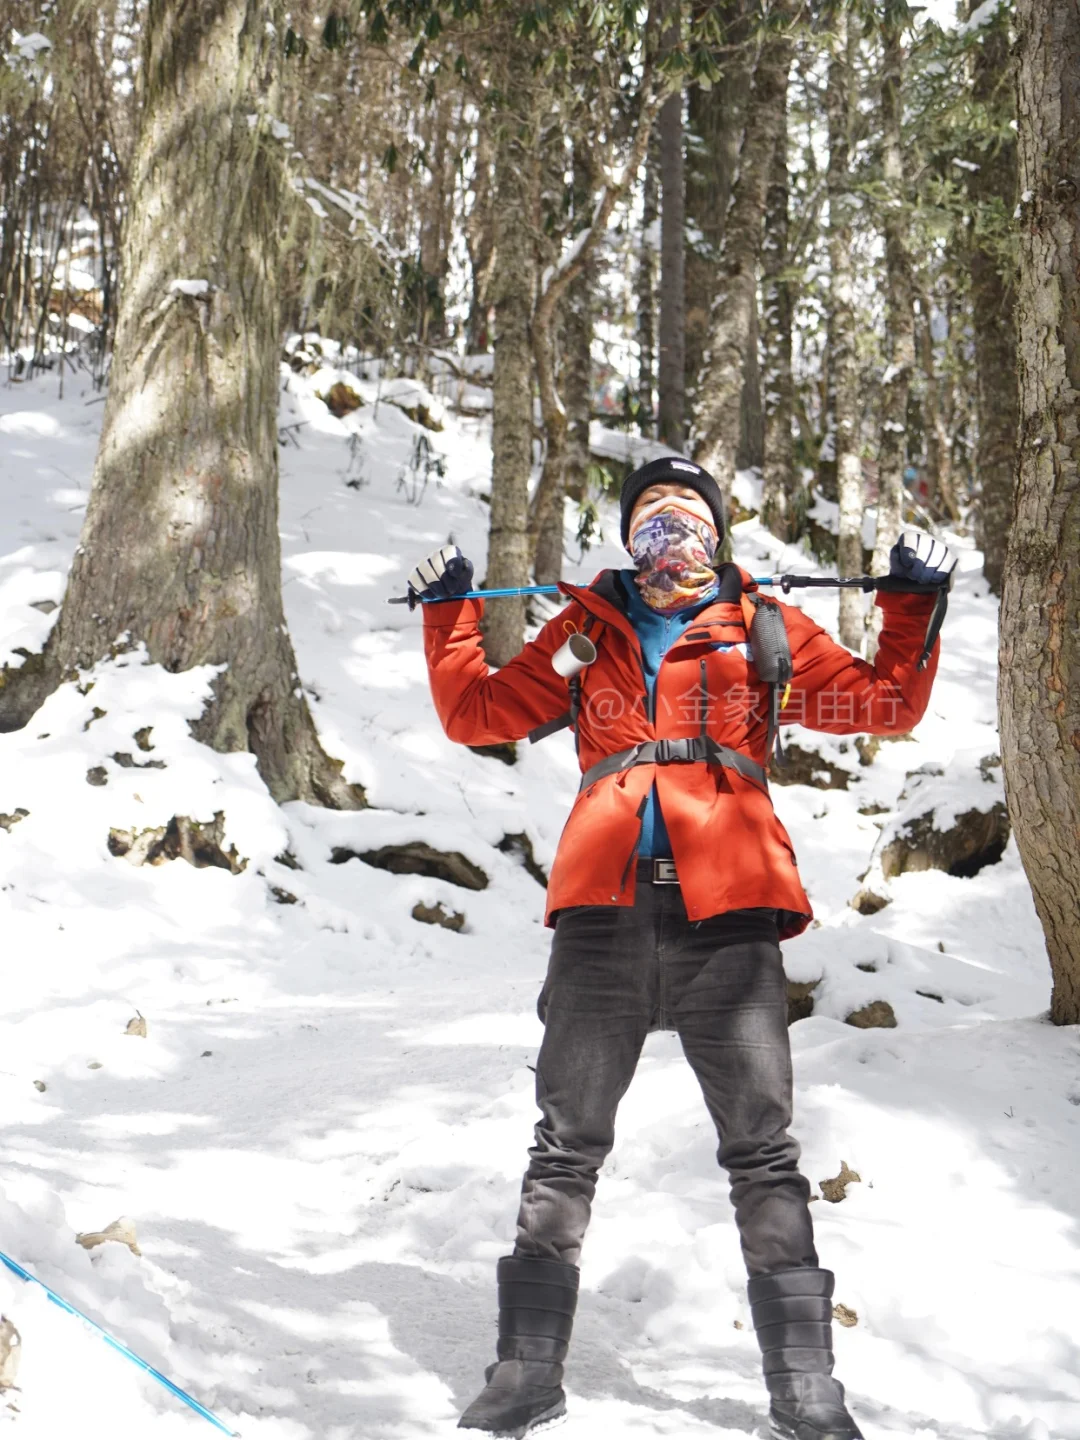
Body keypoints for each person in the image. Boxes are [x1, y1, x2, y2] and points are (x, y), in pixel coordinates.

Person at [408, 456, 956, 1440]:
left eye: (689, 518)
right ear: (629, 537)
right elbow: (478, 715)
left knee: (764, 1150)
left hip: (731, 915)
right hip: (602, 915)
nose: (673, 536)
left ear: (716, 533)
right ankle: (526, 1374)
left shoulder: (763, 625)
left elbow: (886, 704)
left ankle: (806, 1391)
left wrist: (913, 602)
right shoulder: (586, 628)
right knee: (565, 1144)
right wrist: (450, 618)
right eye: (654, 519)